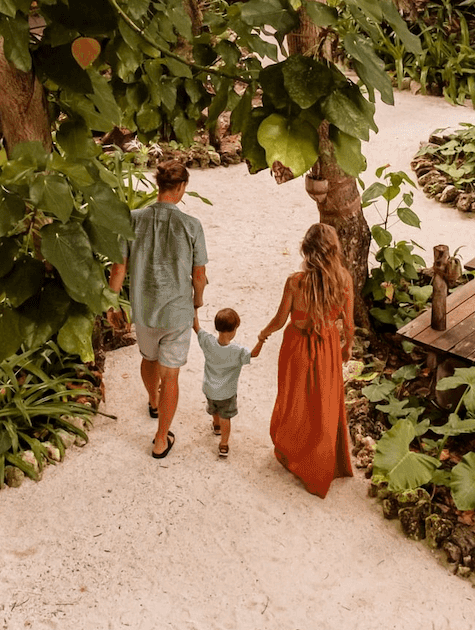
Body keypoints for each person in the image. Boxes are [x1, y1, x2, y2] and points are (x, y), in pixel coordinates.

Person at [107, 155, 207, 459]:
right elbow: (199, 276)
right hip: (177, 311)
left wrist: (111, 304)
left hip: (144, 308)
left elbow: (118, 269)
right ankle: (161, 440)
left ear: (158, 185)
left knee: (148, 357)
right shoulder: (191, 225)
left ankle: (153, 400)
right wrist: (197, 301)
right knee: (171, 376)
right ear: (182, 187)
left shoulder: (133, 219)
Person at [257, 223, 355, 499]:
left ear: (306, 249)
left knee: (295, 400)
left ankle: (295, 451)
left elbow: (280, 319)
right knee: (323, 402)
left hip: (297, 345)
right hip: (327, 345)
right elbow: (349, 323)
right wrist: (347, 347)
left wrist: (263, 335)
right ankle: (322, 459)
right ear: (333, 250)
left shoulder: (295, 282)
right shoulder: (344, 280)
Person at [192, 308, 261, 458]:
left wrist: (194, 309)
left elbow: (196, 326)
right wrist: (261, 340)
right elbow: (254, 354)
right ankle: (223, 444)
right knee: (226, 417)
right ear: (234, 330)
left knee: (214, 409)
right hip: (227, 393)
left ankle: (216, 426)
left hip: (209, 389)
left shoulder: (208, 341)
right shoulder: (238, 351)